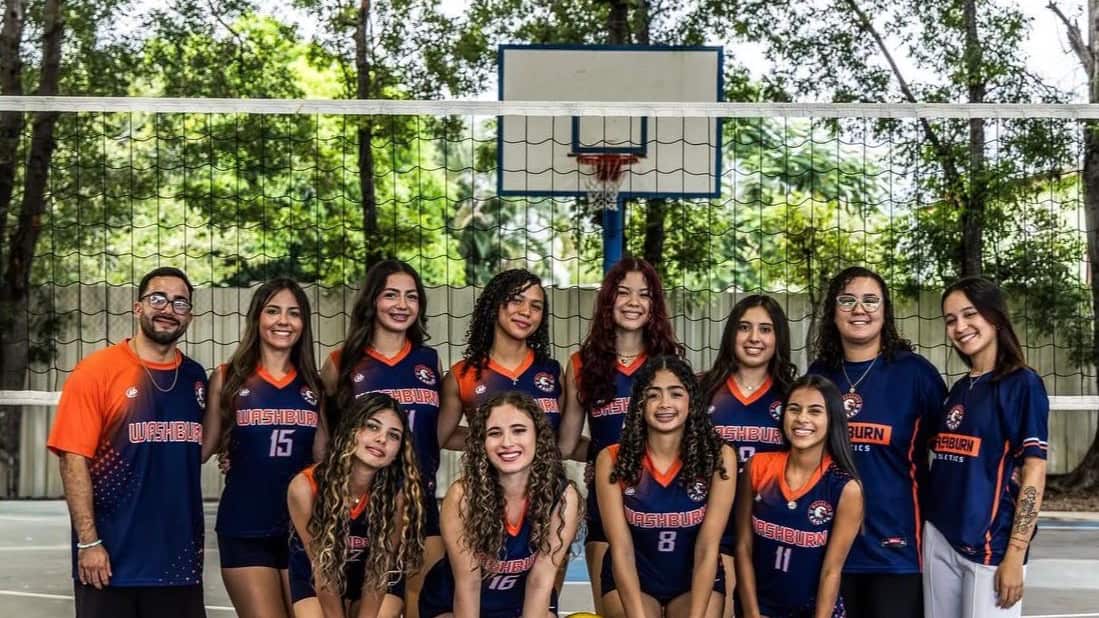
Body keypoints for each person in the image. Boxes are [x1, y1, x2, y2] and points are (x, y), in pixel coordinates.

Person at [47, 267, 208, 618]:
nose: (168, 309)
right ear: (138, 307)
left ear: (189, 316)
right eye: (158, 299)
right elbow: (72, 459)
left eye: (180, 303)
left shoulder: (196, 378)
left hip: (178, 562)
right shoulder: (96, 372)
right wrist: (89, 542)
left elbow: (203, 448)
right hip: (110, 562)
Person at [807, 266, 946, 618]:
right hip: (827, 550)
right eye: (847, 300)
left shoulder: (915, 374)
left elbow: (950, 450)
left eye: (871, 300)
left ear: (885, 311)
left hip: (896, 552)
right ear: (832, 311)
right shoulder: (819, 375)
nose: (859, 309)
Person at [557, 257, 683, 615]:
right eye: (623, 292)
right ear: (608, 300)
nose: (633, 302)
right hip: (606, 503)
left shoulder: (668, 363)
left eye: (644, 295)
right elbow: (567, 443)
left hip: (662, 507)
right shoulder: (582, 364)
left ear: (654, 306)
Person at [319, 259, 442, 617]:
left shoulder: (428, 362)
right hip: (360, 512)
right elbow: (322, 436)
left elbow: (444, 431)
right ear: (372, 300)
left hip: (419, 502)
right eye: (391, 295)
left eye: (411, 297)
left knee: (427, 605)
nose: (402, 305)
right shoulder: (341, 363)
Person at [201, 277, 327, 618]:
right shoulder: (227, 378)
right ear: (257, 317)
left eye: (294, 313)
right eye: (273, 311)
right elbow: (204, 446)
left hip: (302, 528)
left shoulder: (314, 383)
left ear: (304, 324)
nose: (283, 321)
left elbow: (324, 460)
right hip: (245, 526)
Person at [924, 277, 1049, 618]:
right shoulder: (960, 389)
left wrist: (1015, 554)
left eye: (969, 314)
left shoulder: (1022, 383)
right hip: (939, 536)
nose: (959, 327)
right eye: (951, 320)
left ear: (993, 317)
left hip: (990, 548)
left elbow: (1034, 470)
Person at [596, 355, 736, 618]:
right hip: (636, 579)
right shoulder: (612, 459)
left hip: (692, 581)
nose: (665, 404)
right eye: (653, 395)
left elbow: (708, 547)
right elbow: (621, 549)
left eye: (675, 394)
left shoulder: (719, 457)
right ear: (640, 404)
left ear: (691, 401)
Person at [419, 391, 581, 618]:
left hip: (520, 603)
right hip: (454, 604)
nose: (507, 442)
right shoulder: (462, 497)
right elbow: (468, 585)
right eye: (495, 433)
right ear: (482, 443)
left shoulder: (563, 497)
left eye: (519, 430)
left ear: (538, 436)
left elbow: (540, 582)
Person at [734, 375, 864, 618]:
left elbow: (831, 571)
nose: (802, 418)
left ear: (832, 419)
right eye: (794, 409)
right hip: (757, 607)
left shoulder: (846, 487)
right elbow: (743, 546)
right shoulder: (758, 466)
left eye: (815, 411)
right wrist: (752, 613)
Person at [701, 294, 798, 617]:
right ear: (731, 334)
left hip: (772, 530)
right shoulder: (703, 390)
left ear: (778, 338)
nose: (754, 338)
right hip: (716, 531)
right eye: (744, 328)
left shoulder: (793, 397)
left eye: (765, 329)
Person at [286, 392, 425, 618]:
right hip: (316, 577)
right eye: (372, 427)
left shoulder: (397, 495)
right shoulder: (305, 487)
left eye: (394, 435)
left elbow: (379, 570)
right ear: (351, 429)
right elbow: (324, 571)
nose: (382, 439)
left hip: (371, 577)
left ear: (399, 450)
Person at [438, 269, 562, 449]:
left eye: (536, 306)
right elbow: (439, 438)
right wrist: (491, 441)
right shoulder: (461, 375)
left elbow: (565, 443)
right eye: (516, 301)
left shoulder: (552, 371)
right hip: (486, 477)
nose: (526, 311)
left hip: (546, 477)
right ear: (495, 305)